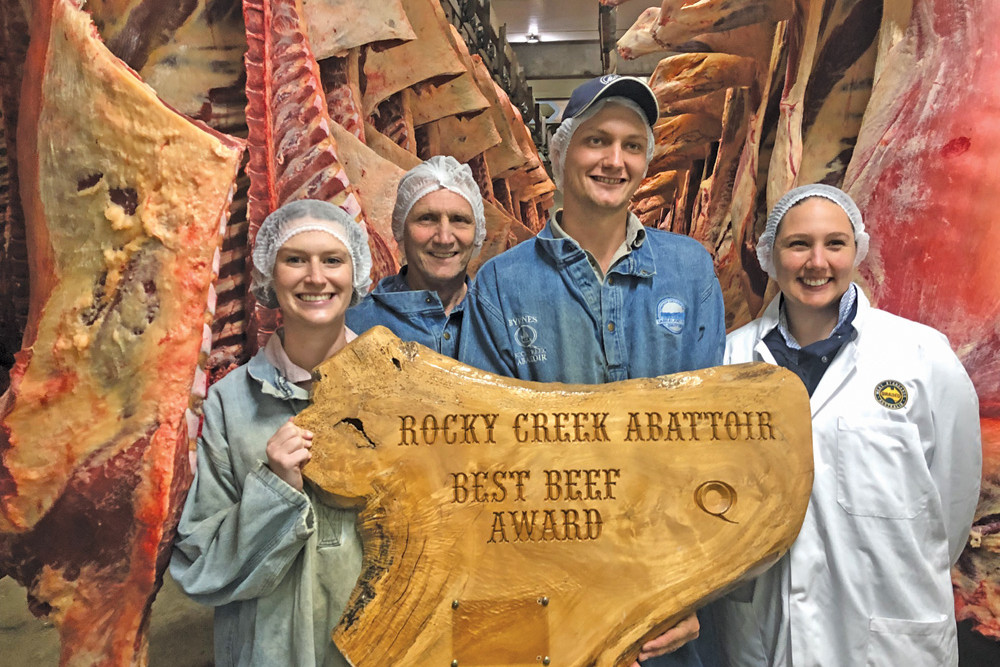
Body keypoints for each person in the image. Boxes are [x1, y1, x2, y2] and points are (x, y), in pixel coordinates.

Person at [460, 75, 726, 666]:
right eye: (597, 141)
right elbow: (490, 454)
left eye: (633, 145)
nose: (615, 160)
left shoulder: (689, 269)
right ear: (561, 152)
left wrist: (691, 587)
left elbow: (710, 444)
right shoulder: (503, 283)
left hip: (666, 591)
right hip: (551, 594)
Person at [716, 184, 982, 666]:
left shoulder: (923, 358)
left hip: (889, 635)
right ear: (770, 255)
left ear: (856, 249)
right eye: (798, 245)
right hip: (768, 632)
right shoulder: (730, 359)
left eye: (835, 244)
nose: (817, 262)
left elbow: (953, 505)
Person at [170, 199, 373, 667]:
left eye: (333, 260)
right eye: (295, 259)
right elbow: (200, 567)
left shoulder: (401, 388)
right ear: (269, 275)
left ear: (355, 273)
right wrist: (274, 492)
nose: (316, 277)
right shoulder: (230, 403)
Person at [346, 155, 485, 357]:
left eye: (459, 220)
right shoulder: (354, 325)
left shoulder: (498, 320)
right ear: (401, 230)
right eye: (427, 219)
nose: (444, 238)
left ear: (478, 232)